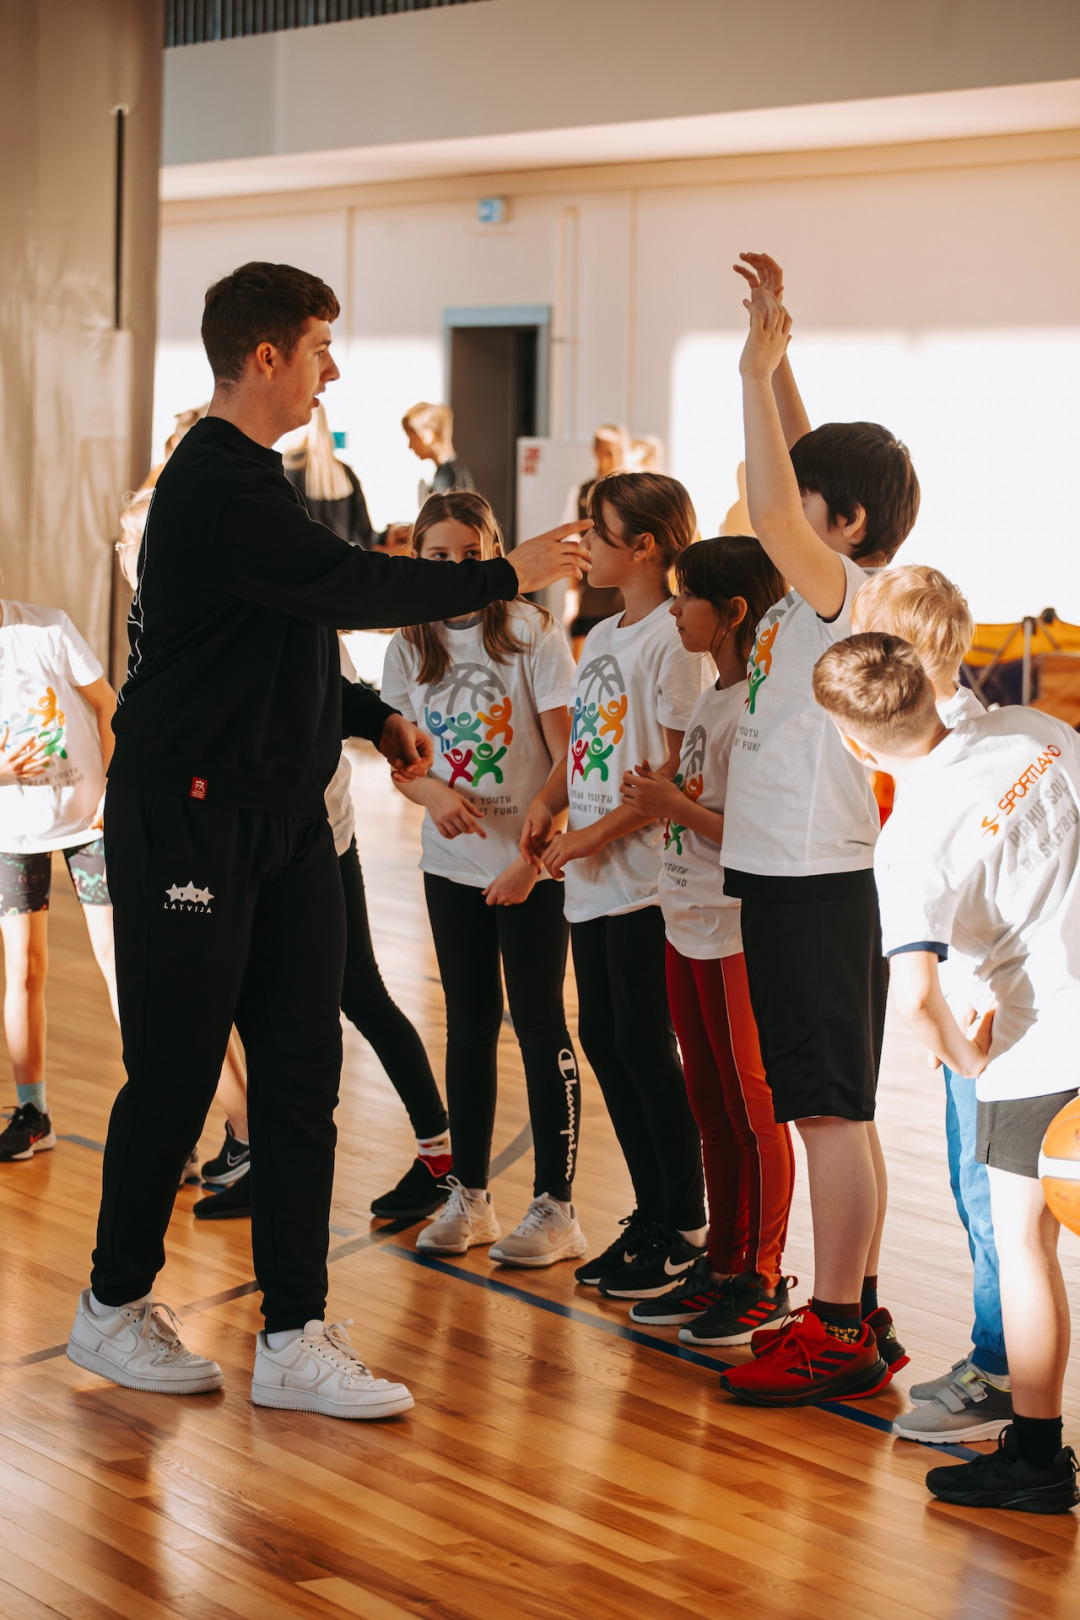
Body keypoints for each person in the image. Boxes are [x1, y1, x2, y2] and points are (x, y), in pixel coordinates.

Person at [66, 259, 587, 1419]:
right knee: (177, 1073)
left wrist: (367, 714)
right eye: (318, 350)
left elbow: (291, 632)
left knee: (304, 1076)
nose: (331, 371)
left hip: (288, 822)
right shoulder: (213, 480)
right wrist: (510, 569)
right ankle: (112, 1304)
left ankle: (294, 1332)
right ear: (266, 358)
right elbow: (347, 587)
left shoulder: (262, 485)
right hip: (188, 818)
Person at [812, 632, 1080, 1514]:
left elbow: (918, 1002)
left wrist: (975, 1064)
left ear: (854, 742)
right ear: (929, 686)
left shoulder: (909, 840)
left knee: (1027, 1248)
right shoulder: (1033, 727)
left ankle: (1037, 1457)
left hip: (1042, 1046)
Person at [716, 252, 920, 1408]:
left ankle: (838, 1326)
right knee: (840, 1107)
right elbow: (796, 480)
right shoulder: (836, 584)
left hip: (813, 880)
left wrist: (751, 370)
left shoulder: (841, 593)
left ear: (842, 525)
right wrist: (782, 361)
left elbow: (768, 502)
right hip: (806, 876)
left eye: (810, 507)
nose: (785, 517)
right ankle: (856, 1308)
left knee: (828, 1115)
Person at [381, 492, 586, 1267]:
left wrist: (530, 862)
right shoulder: (409, 643)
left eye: (471, 555)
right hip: (452, 869)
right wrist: (432, 795)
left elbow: (569, 761)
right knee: (467, 1026)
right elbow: (403, 763)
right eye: (439, 557)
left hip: (531, 864)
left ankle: (558, 1208)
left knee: (538, 1023)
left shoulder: (531, 632)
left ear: (497, 554)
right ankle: (469, 1197)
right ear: (418, 560)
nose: (456, 568)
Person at [526, 472, 709, 1296]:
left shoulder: (675, 637)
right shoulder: (602, 634)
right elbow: (586, 750)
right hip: (593, 878)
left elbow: (674, 772)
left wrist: (589, 836)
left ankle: (686, 1224)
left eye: (596, 533)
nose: (582, 546)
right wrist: (548, 802)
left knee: (643, 1044)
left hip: (643, 881)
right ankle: (652, 1213)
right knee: (604, 1039)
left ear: (643, 546)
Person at [619, 535, 796, 1345]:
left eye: (687, 596)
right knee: (710, 1106)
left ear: (731, 610)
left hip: (731, 929)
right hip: (683, 917)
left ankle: (763, 1276)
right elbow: (700, 799)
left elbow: (755, 833)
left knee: (753, 1109)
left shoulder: (760, 706)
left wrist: (673, 805)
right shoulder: (713, 699)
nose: (675, 610)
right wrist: (662, 791)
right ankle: (722, 1265)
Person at [851, 566, 1012, 1441]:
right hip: (1001, 999)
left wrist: (961, 1048)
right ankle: (999, 1357)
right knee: (992, 1200)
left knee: (989, 1200)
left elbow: (917, 988)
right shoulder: (998, 734)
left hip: (990, 1016)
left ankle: (1000, 1373)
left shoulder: (936, 775)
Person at [0, 600, 119, 1162]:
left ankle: (163, 1118)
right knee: (23, 969)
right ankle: (33, 1113)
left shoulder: (47, 627)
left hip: (91, 825)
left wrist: (113, 790)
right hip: (13, 834)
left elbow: (106, 703)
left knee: (121, 966)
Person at [561, 424, 632, 654]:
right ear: (596, 451)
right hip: (590, 597)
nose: (613, 459)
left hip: (624, 598)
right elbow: (571, 543)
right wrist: (571, 596)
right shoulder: (583, 492)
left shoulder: (634, 494)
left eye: (619, 452)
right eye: (607, 452)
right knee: (582, 659)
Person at [284, 404, 380, 548]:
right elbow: (363, 536)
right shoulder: (346, 473)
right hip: (343, 560)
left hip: (306, 558)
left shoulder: (287, 469)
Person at [401, 403, 473, 504]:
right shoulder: (457, 470)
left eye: (411, 438)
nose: (410, 446)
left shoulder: (445, 476)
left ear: (426, 435)